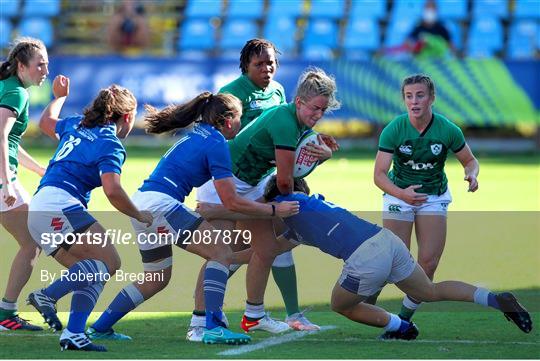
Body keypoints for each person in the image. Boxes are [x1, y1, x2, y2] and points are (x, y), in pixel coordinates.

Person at [198, 176, 533, 339]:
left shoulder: (288, 205)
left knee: (340, 304)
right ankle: (494, 299)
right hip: (385, 241)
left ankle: (401, 326)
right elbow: (267, 250)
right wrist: (228, 257)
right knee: (427, 292)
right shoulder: (305, 214)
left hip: (365, 257)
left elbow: (255, 216)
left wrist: (213, 209)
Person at [86, 92, 299, 345]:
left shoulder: (198, 134)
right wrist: (274, 211)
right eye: (240, 118)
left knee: (156, 278)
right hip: (161, 205)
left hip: (143, 202)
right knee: (220, 252)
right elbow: (231, 201)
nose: (241, 125)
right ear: (228, 121)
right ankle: (212, 327)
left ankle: (100, 326)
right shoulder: (217, 142)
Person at [188, 39, 338, 341]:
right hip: (227, 177)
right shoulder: (233, 92)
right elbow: (231, 138)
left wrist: (314, 148)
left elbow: (295, 135)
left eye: (271, 63)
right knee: (222, 253)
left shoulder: (280, 94)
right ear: (246, 66)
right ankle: (199, 323)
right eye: (259, 63)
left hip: (257, 178)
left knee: (266, 247)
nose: (267, 68)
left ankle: (260, 315)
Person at [26, 77, 153, 352]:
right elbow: (113, 190)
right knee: (109, 262)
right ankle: (47, 295)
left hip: (39, 207)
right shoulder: (110, 143)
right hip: (60, 204)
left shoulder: (75, 124)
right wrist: (139, 215)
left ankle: (73, 334)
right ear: (128, 116)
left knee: (91, 270)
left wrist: (59, 97)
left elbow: (46, 122)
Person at [373, 74, 480, 338]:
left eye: (420, 95)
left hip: (433, 196)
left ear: (431, 98)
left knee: (428, 264)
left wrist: (472, 173)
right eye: (409, 96)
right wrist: (402, 194)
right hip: (399, 195)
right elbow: (379, 175)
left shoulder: (447, 129)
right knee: (393, 260)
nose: (414, 101)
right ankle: (363, 302)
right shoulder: (394, 129)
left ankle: (403, 320)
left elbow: (470, 160)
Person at [0, 37, 49, 331]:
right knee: (32, 242)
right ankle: (6, 314)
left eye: (47, 64)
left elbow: (12, 142)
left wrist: (39, 170)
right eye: (39, 64)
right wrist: (6, 184)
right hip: (2, 180)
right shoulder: (16, 93)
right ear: (21, 66)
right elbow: (1, 138)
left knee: (32, 241)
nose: (44, 70)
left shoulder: (11, 88)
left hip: (7, 177)